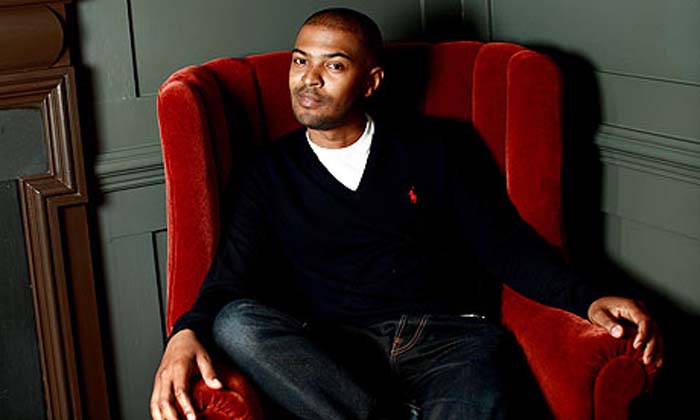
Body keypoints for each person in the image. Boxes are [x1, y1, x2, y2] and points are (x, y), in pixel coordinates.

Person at [150, 8, 662, 420]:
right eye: (300, 61)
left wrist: (588, 297)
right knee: (237, 324)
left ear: (370, 82)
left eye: (334, 66)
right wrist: (183, 334)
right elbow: (229, 280)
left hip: (452, 341)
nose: (309, 80)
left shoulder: (438, 148)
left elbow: (506, 246)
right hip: (335, 351)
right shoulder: (267, 172)